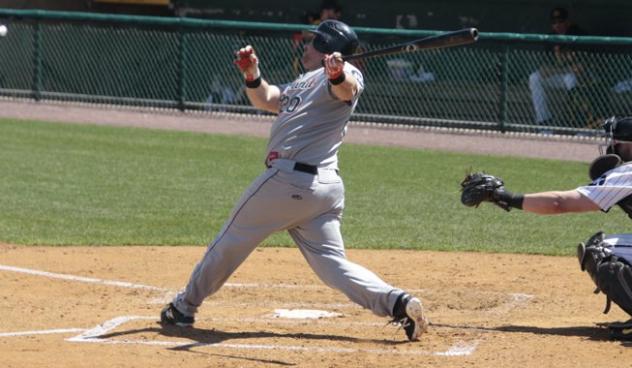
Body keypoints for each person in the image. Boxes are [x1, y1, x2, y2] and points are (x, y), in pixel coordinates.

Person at [160, 19, 429, 342]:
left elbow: (348, 89)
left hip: (288, 181)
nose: (306, 45)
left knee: (230, 240)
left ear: (328, 49)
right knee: (333, 267)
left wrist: (337, 74)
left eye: (314, 42)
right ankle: (397, 302)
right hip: (320, 191)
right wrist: (251, 73)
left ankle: (184, 307)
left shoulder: (346, 74)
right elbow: (268, 98)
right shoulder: (306, 81)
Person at [460, 116, 632, 341]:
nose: (611, 147)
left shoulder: (627, 172)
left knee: (600, 251)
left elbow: (559, 203)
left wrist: (503, 196)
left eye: (616, 143)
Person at [528, 7, 586, 127]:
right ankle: (544, 121)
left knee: (570, 78)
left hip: (583, 80)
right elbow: (544, 70)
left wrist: (556, 70)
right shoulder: (550, 37)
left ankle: (577, 122)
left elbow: (580, 68)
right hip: (560, 76)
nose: (558, 25)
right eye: (554, 22)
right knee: (534, 77)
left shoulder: (577, 34)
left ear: (567, 21)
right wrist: (563, 70)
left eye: (561, 21)